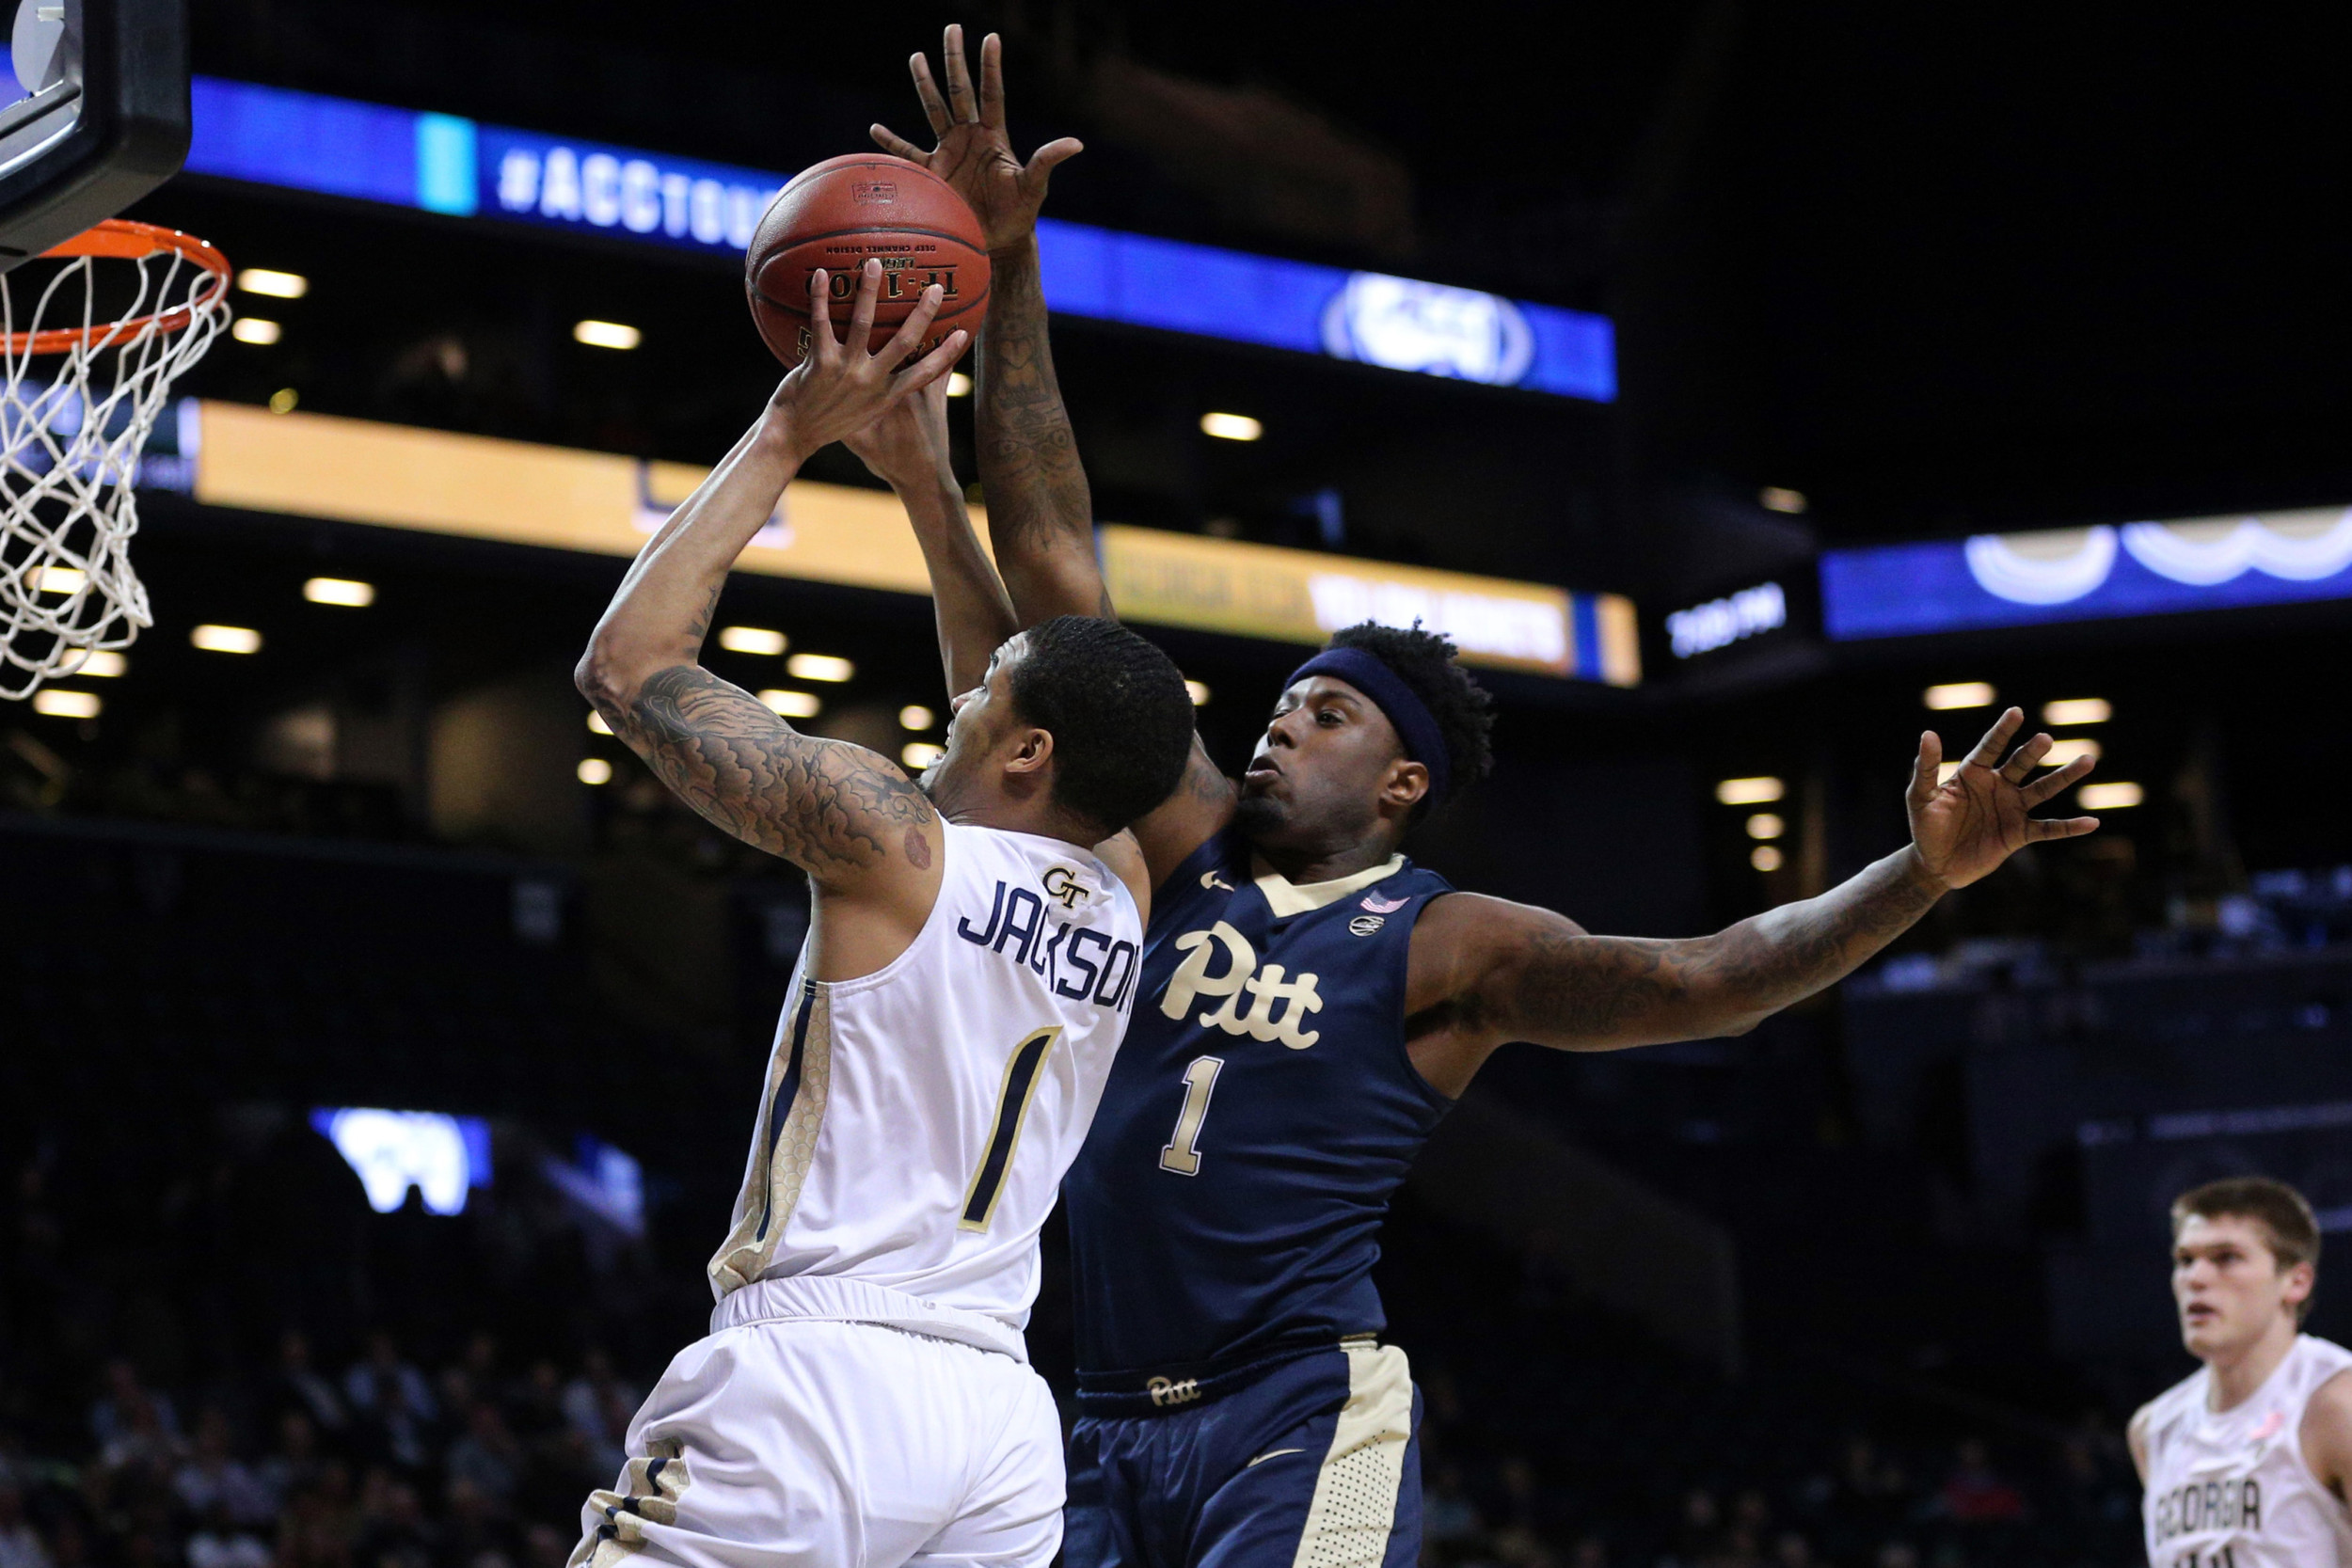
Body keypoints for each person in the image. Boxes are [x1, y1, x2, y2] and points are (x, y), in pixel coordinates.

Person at [874, 27, 2105, 1565]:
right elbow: (1057, 580)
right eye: (1274, 706)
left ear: (1398, 781)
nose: (1272, 732)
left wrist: (1916, 877)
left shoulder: (1447, 945)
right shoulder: (1178, 840)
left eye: (1315, 715)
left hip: (1299, 1408)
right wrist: (1011, 265)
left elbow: (1717, 980)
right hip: (1092, 1413)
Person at [565, 261, 1198, 1568]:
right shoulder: (1124, 885)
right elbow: (1023, 696)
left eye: (978, 710)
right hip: (998, 1423)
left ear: (1025, 754)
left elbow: (625, 666)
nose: (953, 704)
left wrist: (793, 425)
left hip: (815, 1382)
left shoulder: (889, 840)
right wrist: (919, 481)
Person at [2130, 1177, 2352, 1566]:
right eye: (2185, 1260)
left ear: (2296, 1281)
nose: (2196, 1278)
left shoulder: (2335, 1404)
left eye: (2226, 1257)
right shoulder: (2153, 1429)